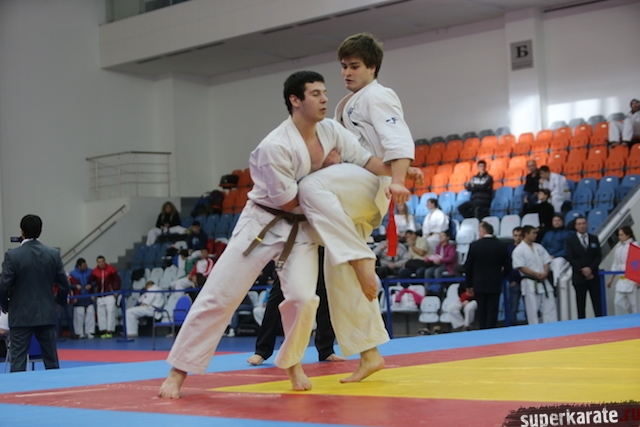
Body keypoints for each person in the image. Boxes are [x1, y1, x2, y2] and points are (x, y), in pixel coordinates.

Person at [158, 71, 395, 399]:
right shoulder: (274, 147)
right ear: (295, 100)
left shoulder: (330, 130)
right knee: (219, 294)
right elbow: (291, 200)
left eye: (324, 92)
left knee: (303, 299)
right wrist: (328, 168)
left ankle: (292, 362)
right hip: (262, 224)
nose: (325, 98)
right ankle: (177, 373)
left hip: (302, 228)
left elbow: (365, 160)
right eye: (315, 93)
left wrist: (400, 172)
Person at [297, 33, 419, 383]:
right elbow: (358, 151)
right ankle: (370, 354)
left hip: (369, 186)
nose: (347, 73)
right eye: (343, 67)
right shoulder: (347, 104)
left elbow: (398, 138)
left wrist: (399, 179)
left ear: (372, 67)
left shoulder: (378, 96)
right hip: (357, 181)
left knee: (309, 188)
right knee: (339, 271)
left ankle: (361, 257)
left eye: (354, 66)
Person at [247, 248, 344, 365]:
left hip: (322, 248)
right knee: (277, 297)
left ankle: (326, 350)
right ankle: (262, 350)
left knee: (325, 298)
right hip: (294, 248)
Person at [0, 214, 70, 372]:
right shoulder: (52, 254)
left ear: (21, 231)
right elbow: (65, 285)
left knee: (18, 362)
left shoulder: (12, 256)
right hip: (46, 312)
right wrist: (57, 302)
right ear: (41, 231)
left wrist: (6, 306)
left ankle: (18, 388)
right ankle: (56, 387)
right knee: (51, 362)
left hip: (20, 314)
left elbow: (3, 287)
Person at [463, 221, 511, 329]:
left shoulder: (475, 245)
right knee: (493, 309)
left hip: (479, 283)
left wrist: (469, 284)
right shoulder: (501, 245)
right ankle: (492, 331)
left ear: (483, 231)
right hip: (495, 282)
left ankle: (482, 330)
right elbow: (508, 265)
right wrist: (502, 275)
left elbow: (468, 267)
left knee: (481, 309)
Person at [512, 226, 558, 325]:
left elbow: (546, 261)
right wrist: (536, 274)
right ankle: (535, 332)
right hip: (530, 282)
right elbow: (521, 267)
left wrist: (545, 273)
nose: (536, 235)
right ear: (526, 234)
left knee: (550, 308)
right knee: (532, 311)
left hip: (544, 281)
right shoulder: (519, 250)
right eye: (533, 233)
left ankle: (553, 329)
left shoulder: (539, 247)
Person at [565, 216, 603, 318]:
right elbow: (571, 258)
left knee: (598, 304)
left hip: (593, 276)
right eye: (579, 224)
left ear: (587, 224)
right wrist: (583, 270)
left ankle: (601, 324)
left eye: (583, 223)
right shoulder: (570, 240)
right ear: (575, 226)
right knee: (581, 306)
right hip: (579, 277)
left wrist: (590, 269)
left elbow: (598, 256)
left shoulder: (594, 238)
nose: (582, 226)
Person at [607, 226, 639, 314]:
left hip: (633, 280)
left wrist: (638, 280)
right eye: (619, 235)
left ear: (628, 235)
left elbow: (638, 263)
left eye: (621, 235)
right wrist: (611, 279)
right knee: (618, 302)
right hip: (621, 279)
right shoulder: (618, 247)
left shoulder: (635, 246)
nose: (619, 237)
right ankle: (623, 320)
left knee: (635, 305)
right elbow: (616, 264)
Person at [90, 255, 121, 338]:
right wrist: (92, 293)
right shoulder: (95, 271)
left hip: (110, 294)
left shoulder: (111, 269)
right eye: (99, 262)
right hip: (100, 295)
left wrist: (116, 291)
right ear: (97, 262)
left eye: (102, 261)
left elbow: (117, 280)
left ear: (105, 261)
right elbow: (91, 283)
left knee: (110, 312)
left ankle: (110, 330)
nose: (101, 263)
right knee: (101, 313)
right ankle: (103, 330)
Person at [540, 214, 572, 288]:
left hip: (560, 258)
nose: (556, 222)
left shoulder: (567, 234)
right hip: (547, 258)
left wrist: (555, 256)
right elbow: (542, 247)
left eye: (558, 220)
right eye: (554, 220)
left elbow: (567, 249)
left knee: (558, 262)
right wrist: (546, 257)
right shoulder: (548, 234)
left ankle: (557, 285)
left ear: (562, 222)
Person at [68, 258, 95, 339]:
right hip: (78, 298)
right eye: (83, 265)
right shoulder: (72, 274)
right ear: (79, 266)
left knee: (90, 314)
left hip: (89, 296)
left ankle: (89, 332)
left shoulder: (90, 272)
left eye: (85, 265)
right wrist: (75, 286)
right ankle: (79, 333)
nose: (85, 266)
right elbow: (69, 285)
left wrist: (91, 286)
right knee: (79, 315)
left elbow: (95, 282)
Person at [506, 227, 524, 326]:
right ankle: (512, 327)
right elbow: (506, 265)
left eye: (520, 235)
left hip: (526, 279)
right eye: (516, 235)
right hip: (514, 281)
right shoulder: (509, 249)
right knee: (513, 307)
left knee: (530, 306)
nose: (518, 238)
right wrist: (510, 279)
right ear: (513, 237)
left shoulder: (526, 248)